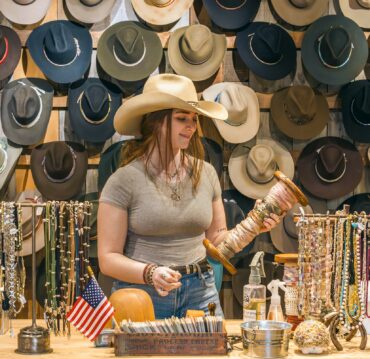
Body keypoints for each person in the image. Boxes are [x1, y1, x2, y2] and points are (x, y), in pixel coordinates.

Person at [98, 74, 286, 318]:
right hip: (143, 296)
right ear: (155, 121)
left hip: (200, 292)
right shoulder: (124, 180)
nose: (192, 126)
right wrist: (150, 273)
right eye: (181, 118)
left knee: (209, 356)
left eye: (194, 119)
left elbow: (217, 241)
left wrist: (255, 225)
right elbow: (108, 258)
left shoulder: (206, 173)